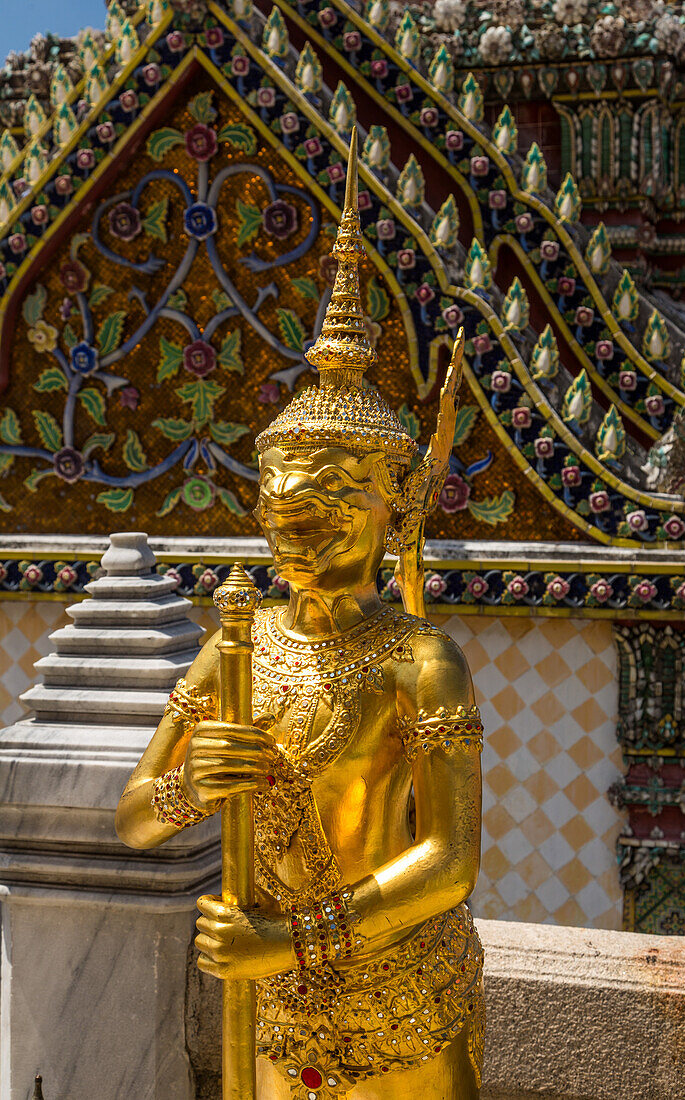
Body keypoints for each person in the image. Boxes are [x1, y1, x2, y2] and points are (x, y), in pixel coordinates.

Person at [116, 129, 485, 1100]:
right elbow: (131, 817)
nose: (297, 535)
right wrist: (192, 785)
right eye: (284, 516)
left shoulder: (420, 659)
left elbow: (447, 862)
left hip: (403, 988)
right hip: (271, 1000)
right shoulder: (238, 644)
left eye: (327, 513)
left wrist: (292, 938)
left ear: (391, 510)